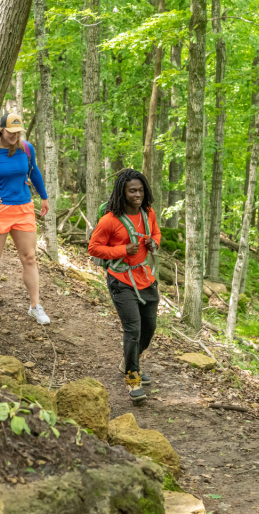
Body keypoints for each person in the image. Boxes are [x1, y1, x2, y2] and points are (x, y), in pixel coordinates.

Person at [0, 113, 51, 325]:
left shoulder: (27, 148)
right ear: (1, 130)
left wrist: (44, 197)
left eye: (18, 132)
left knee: (29, 257)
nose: (15, 136)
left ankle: (35, 306)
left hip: (23, 208)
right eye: (11, 132)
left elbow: (34, 173)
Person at [88, 168, 161, 401]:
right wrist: (121, 250)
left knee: (149, 328)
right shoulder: (109, 220)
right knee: (133, 329)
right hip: (120, 279)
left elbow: (157, 234)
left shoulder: (148, 213)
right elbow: (93, 248)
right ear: (122, 192)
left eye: (140, 190)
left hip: (145, 277)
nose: (137, 195)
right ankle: (132, 378)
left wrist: (153, 244)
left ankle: (129, 360)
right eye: (132, 191)